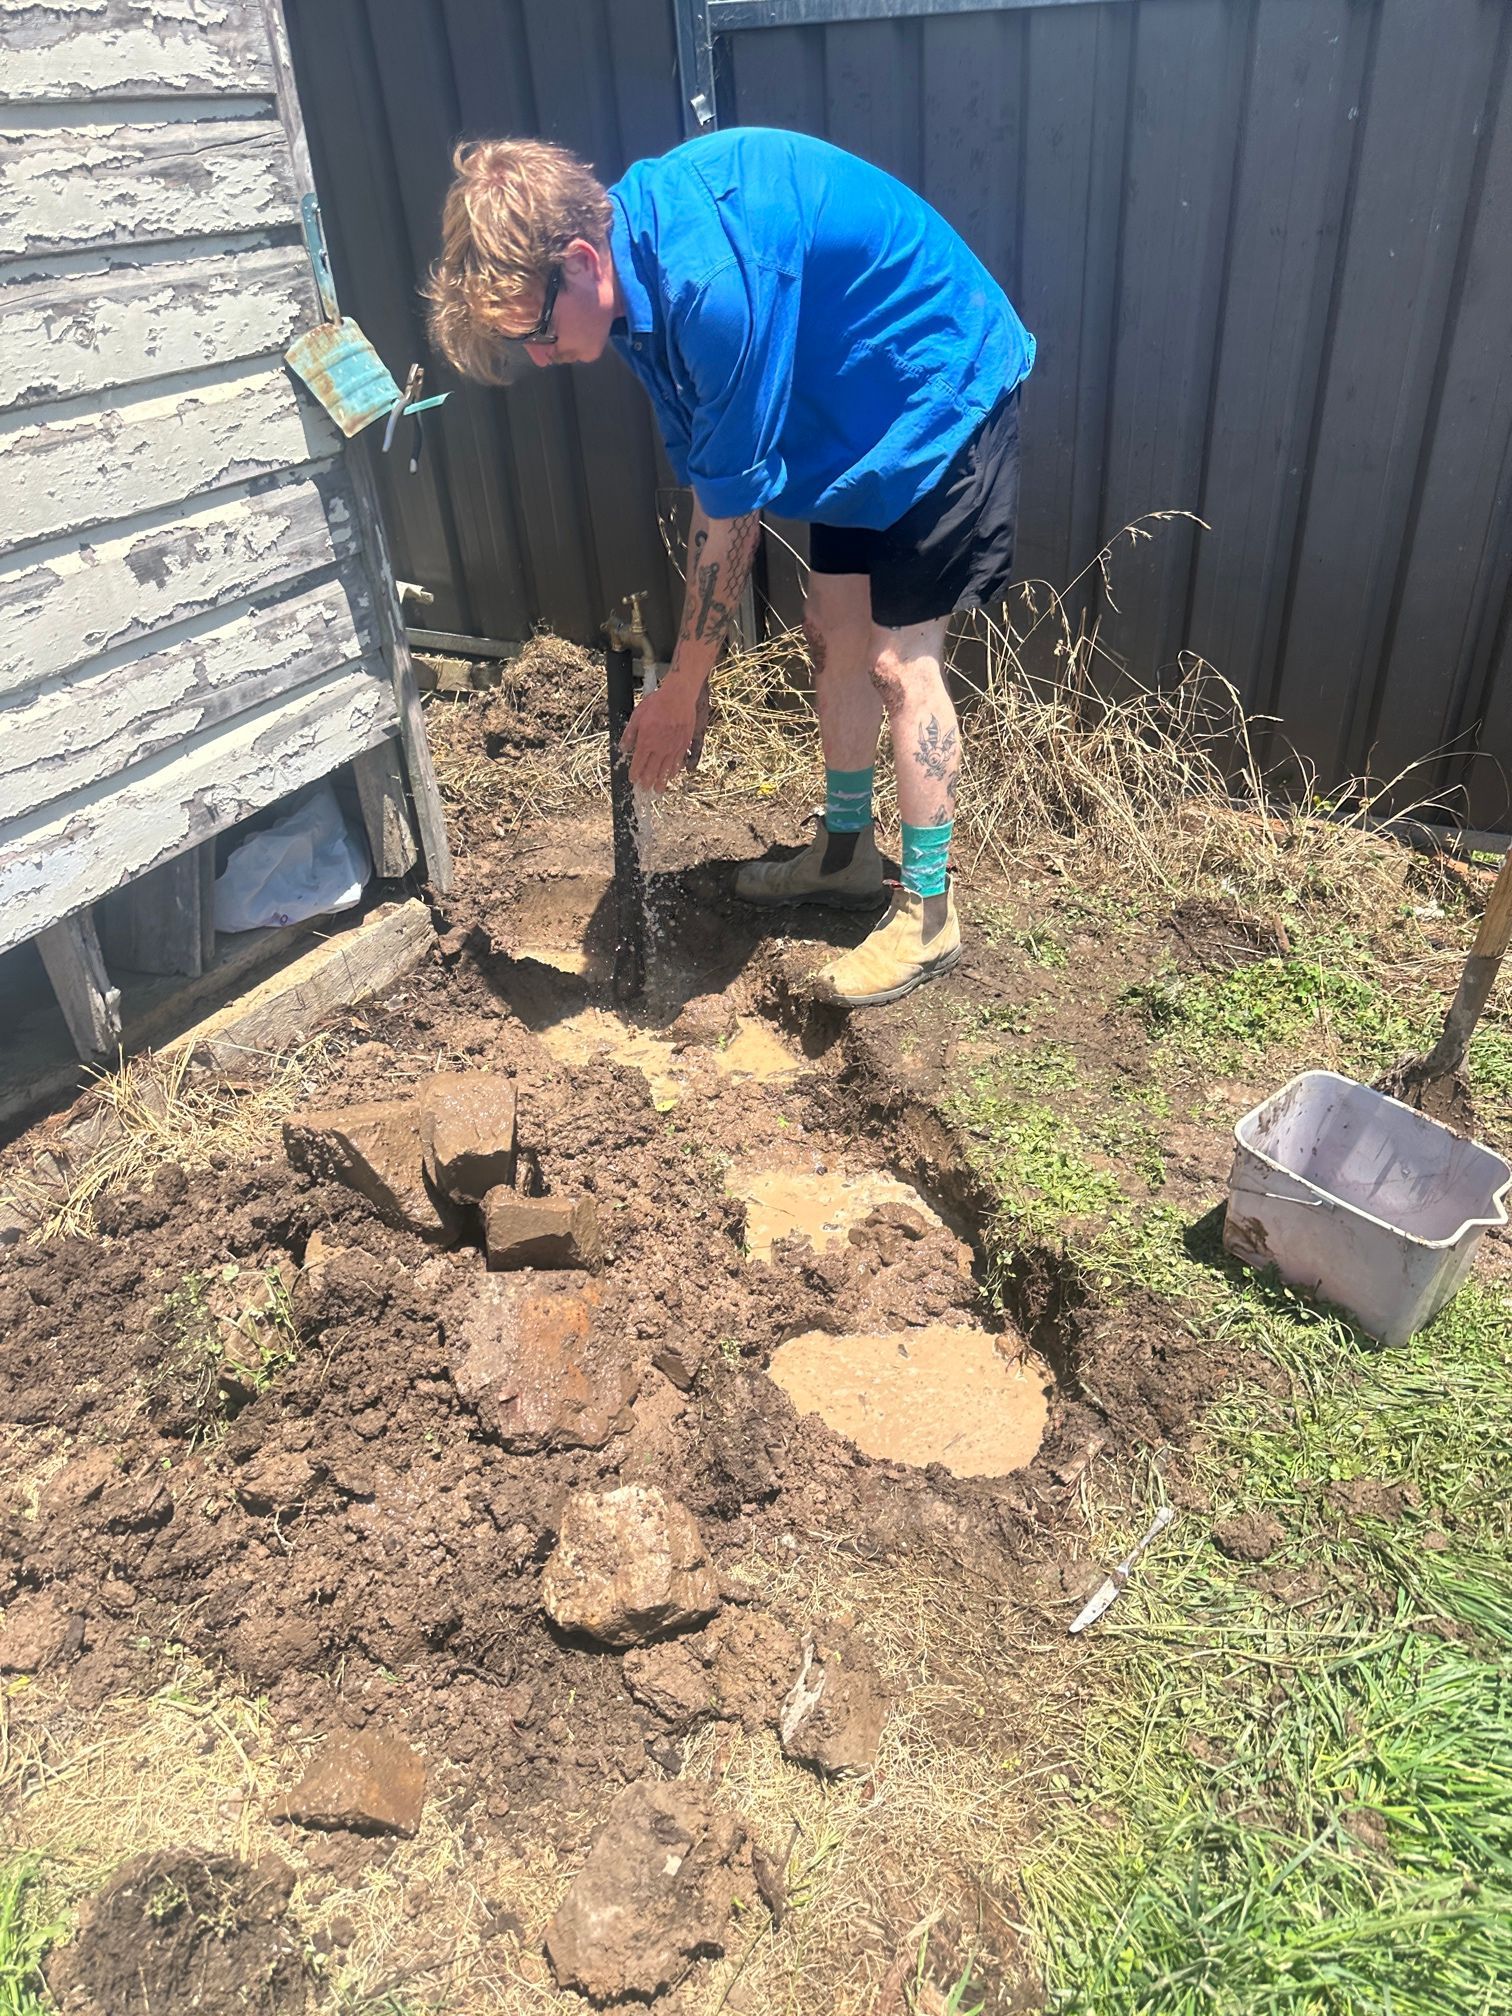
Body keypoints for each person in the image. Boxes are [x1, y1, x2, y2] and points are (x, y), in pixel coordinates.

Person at [425, 126, 1034, 1004]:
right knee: (831, 633)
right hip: (854, 417)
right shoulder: (634, 281)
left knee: (902, 666)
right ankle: (844, 853)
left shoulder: (709, 288)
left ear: (584, 262)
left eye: (537, 328)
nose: (540, 355)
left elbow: (731, 518)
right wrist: (690, 679)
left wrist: (683, 690)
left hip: (938, 392)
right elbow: (714, 471)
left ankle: (929, 918)